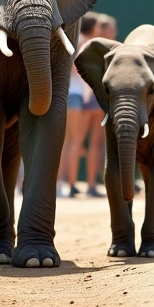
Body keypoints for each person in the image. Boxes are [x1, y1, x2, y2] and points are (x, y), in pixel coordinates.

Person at [61, 13, 103, 197]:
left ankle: (68, 184)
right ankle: (79, 185)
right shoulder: (87, 44)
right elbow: (79, 69)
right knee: (81, 143)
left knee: (70, 143)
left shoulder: (73, 41)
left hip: (69, 96)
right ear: (93, 27)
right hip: (82, 97)